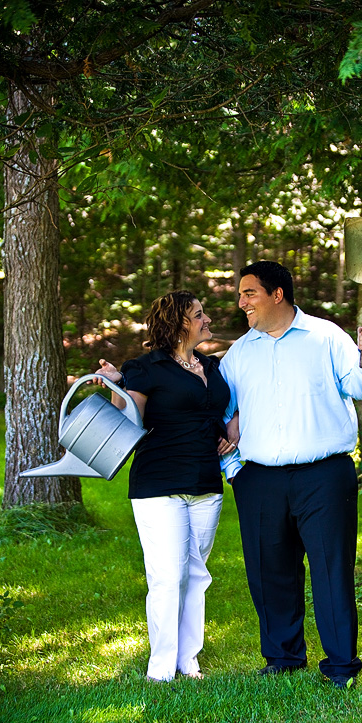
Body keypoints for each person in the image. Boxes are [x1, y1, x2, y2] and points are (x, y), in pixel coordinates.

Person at [219, 261, 362, 688]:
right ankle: (283, 658)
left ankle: (341, 666)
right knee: (268, 571)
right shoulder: (239, 353)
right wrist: (234, 469)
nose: (242, 303)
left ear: (277, 294)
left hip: (324, 476)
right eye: (241, 294)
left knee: (331, 569)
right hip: (259, 480)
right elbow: (220, 417)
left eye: (249, 293)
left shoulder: (326, 336)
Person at [95, 291, 236, 683]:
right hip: (159, 482)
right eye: (199, 314)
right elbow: (128, 420)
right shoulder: (145, 367)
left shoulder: (211, 365)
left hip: (206, 481)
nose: (207, 320)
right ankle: (160, 670)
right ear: (178, 325)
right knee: (166, 576)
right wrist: (114, 387)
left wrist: (232, 428)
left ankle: (188, 661)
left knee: (196, 574)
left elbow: (226, 406)